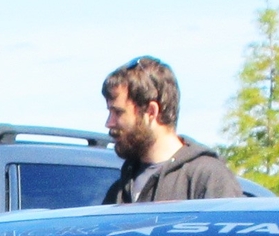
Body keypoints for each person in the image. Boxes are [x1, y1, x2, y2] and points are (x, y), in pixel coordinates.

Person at [101, 57, 243, 203]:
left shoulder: (208, 179)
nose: (109, 123)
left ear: (151, 112)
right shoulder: (119, 191)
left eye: (118, 112)